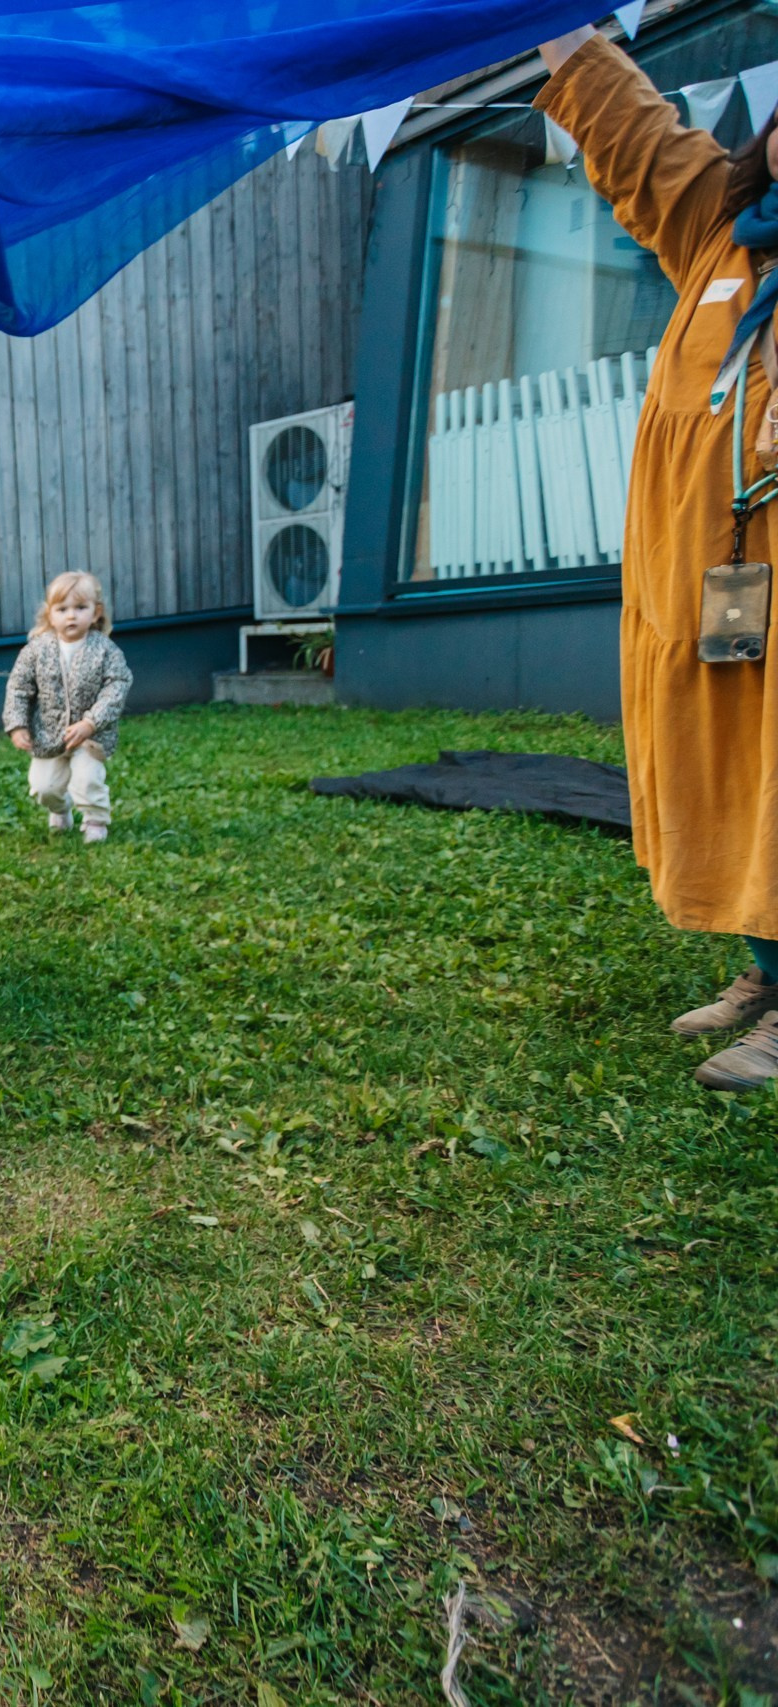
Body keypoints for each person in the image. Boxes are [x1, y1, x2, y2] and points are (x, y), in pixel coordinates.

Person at [538, 25, 778, 1090]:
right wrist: (552, 26)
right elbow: (631, 131)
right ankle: (764, 968)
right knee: (729, 764)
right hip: (711, 578)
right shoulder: (722, 230)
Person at [3, 572, 134, 845]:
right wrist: (17, 726)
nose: (71, 616)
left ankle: (95, 820)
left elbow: (117, 687)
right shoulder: (36, 650)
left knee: (87, 780)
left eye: (80, 608)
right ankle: (60, 808)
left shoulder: (106, 650)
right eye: (62, 609)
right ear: (50, 614)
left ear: (96, 613)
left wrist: (91, 722)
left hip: (90, 738)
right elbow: (18, 688)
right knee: (44, 787)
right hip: (49, 735)